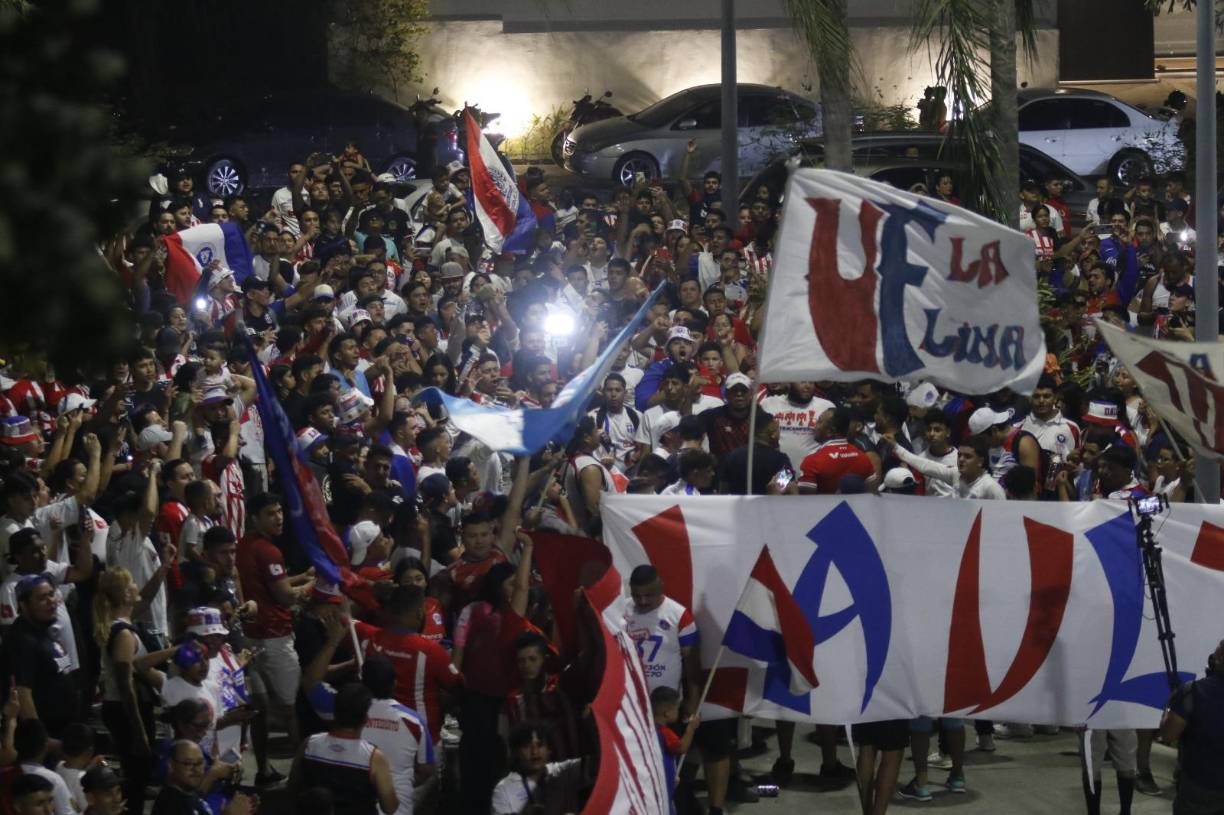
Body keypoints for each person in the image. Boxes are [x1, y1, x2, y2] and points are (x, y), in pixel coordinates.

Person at [236, 491, 311, 784]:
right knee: (291, 709)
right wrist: (314, 585)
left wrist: (301, 577)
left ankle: (264, 770)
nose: (279, 517)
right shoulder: (269, 551)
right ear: (255, 518)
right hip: (275, 639)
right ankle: (303, 778)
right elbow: (284, 595)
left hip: (250, 639)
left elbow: (267, 585)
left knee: (260, 709)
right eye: (270, 513)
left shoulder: (244, 546)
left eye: (279, 511)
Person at [290, 682, 399, 815]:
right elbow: (390, 807)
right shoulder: (374, 757)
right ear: (365, 719)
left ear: (335, 713)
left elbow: (293, 787)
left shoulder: (309, 744)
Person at [1159, 638, 1224, 813]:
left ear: (1217, 658)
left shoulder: (1192, 692)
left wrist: (1168, 709)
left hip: (1199, 788)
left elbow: (1168, 735)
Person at [490, 721, 585, 815]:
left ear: (549, 750)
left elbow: (596, 763)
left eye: (540, 745)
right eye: (527, 746)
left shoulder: (564, 771)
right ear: (516, 752)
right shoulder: (503, 790)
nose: (535, 752)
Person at [152, 739, 256, 815]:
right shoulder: (170, 805)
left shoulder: (188, 793)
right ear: (171, 765)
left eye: (200, 763)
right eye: (188, 764)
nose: (196, 769)